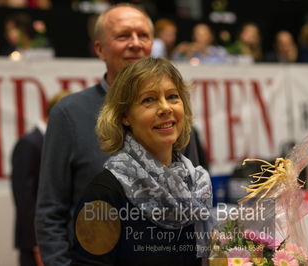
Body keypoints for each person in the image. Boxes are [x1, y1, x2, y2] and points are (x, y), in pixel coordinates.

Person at [35, 3, 208, 266]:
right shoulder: (68, 113)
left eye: (144, 36)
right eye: (123, 36)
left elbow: (191, 203)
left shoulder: (172, 120)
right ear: (99, 49)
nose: (136, 44)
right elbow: (50, 211)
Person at [71, 56, 212, 265]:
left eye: (173, 96)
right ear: (125, 116)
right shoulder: (104, 194)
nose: (165, 108)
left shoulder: (196, 185)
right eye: (149, 100)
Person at [10, 90, 69, 266]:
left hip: (59, 239)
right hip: (38, 243)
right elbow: (25, 200)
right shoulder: (30, 144)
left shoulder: (58, 143)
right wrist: (39, 243)